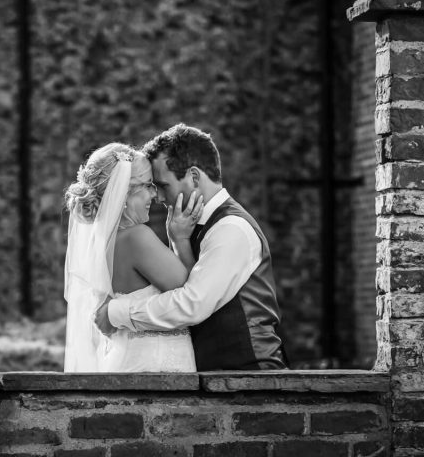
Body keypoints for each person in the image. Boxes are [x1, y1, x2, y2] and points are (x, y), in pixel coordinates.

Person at [93, 124, 288, 370]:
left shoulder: (231, 228)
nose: (158, 198)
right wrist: (179, 241)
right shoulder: (185, 227)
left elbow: (192, 304)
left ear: (194, 177)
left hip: (250, 372)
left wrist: (116, 313)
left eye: (163, 185)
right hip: (214, 376)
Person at [63, 142, 197, 372]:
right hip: (156, 368)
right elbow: (193, 294)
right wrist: (180, 239)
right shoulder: (137, 238)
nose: (154, 194)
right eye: (147, 185)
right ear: (123, 192)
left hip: (127, 362)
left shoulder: (100, 243)